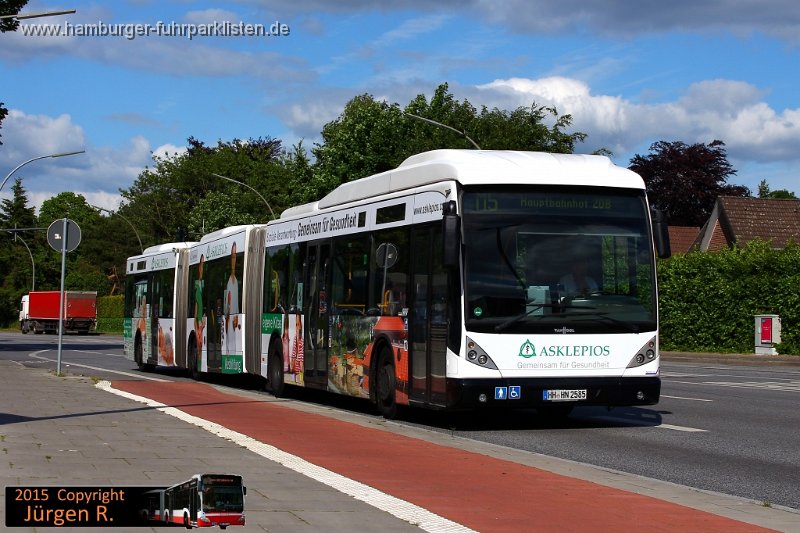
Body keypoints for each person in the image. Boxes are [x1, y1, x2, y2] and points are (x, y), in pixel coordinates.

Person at [224, 242, 240, 355]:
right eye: (232, 256)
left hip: (235, 318)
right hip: (229, 318)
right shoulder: (228, 279)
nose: (234, 260)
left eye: (235, 256)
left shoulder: (237, 281)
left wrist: (237, 316)